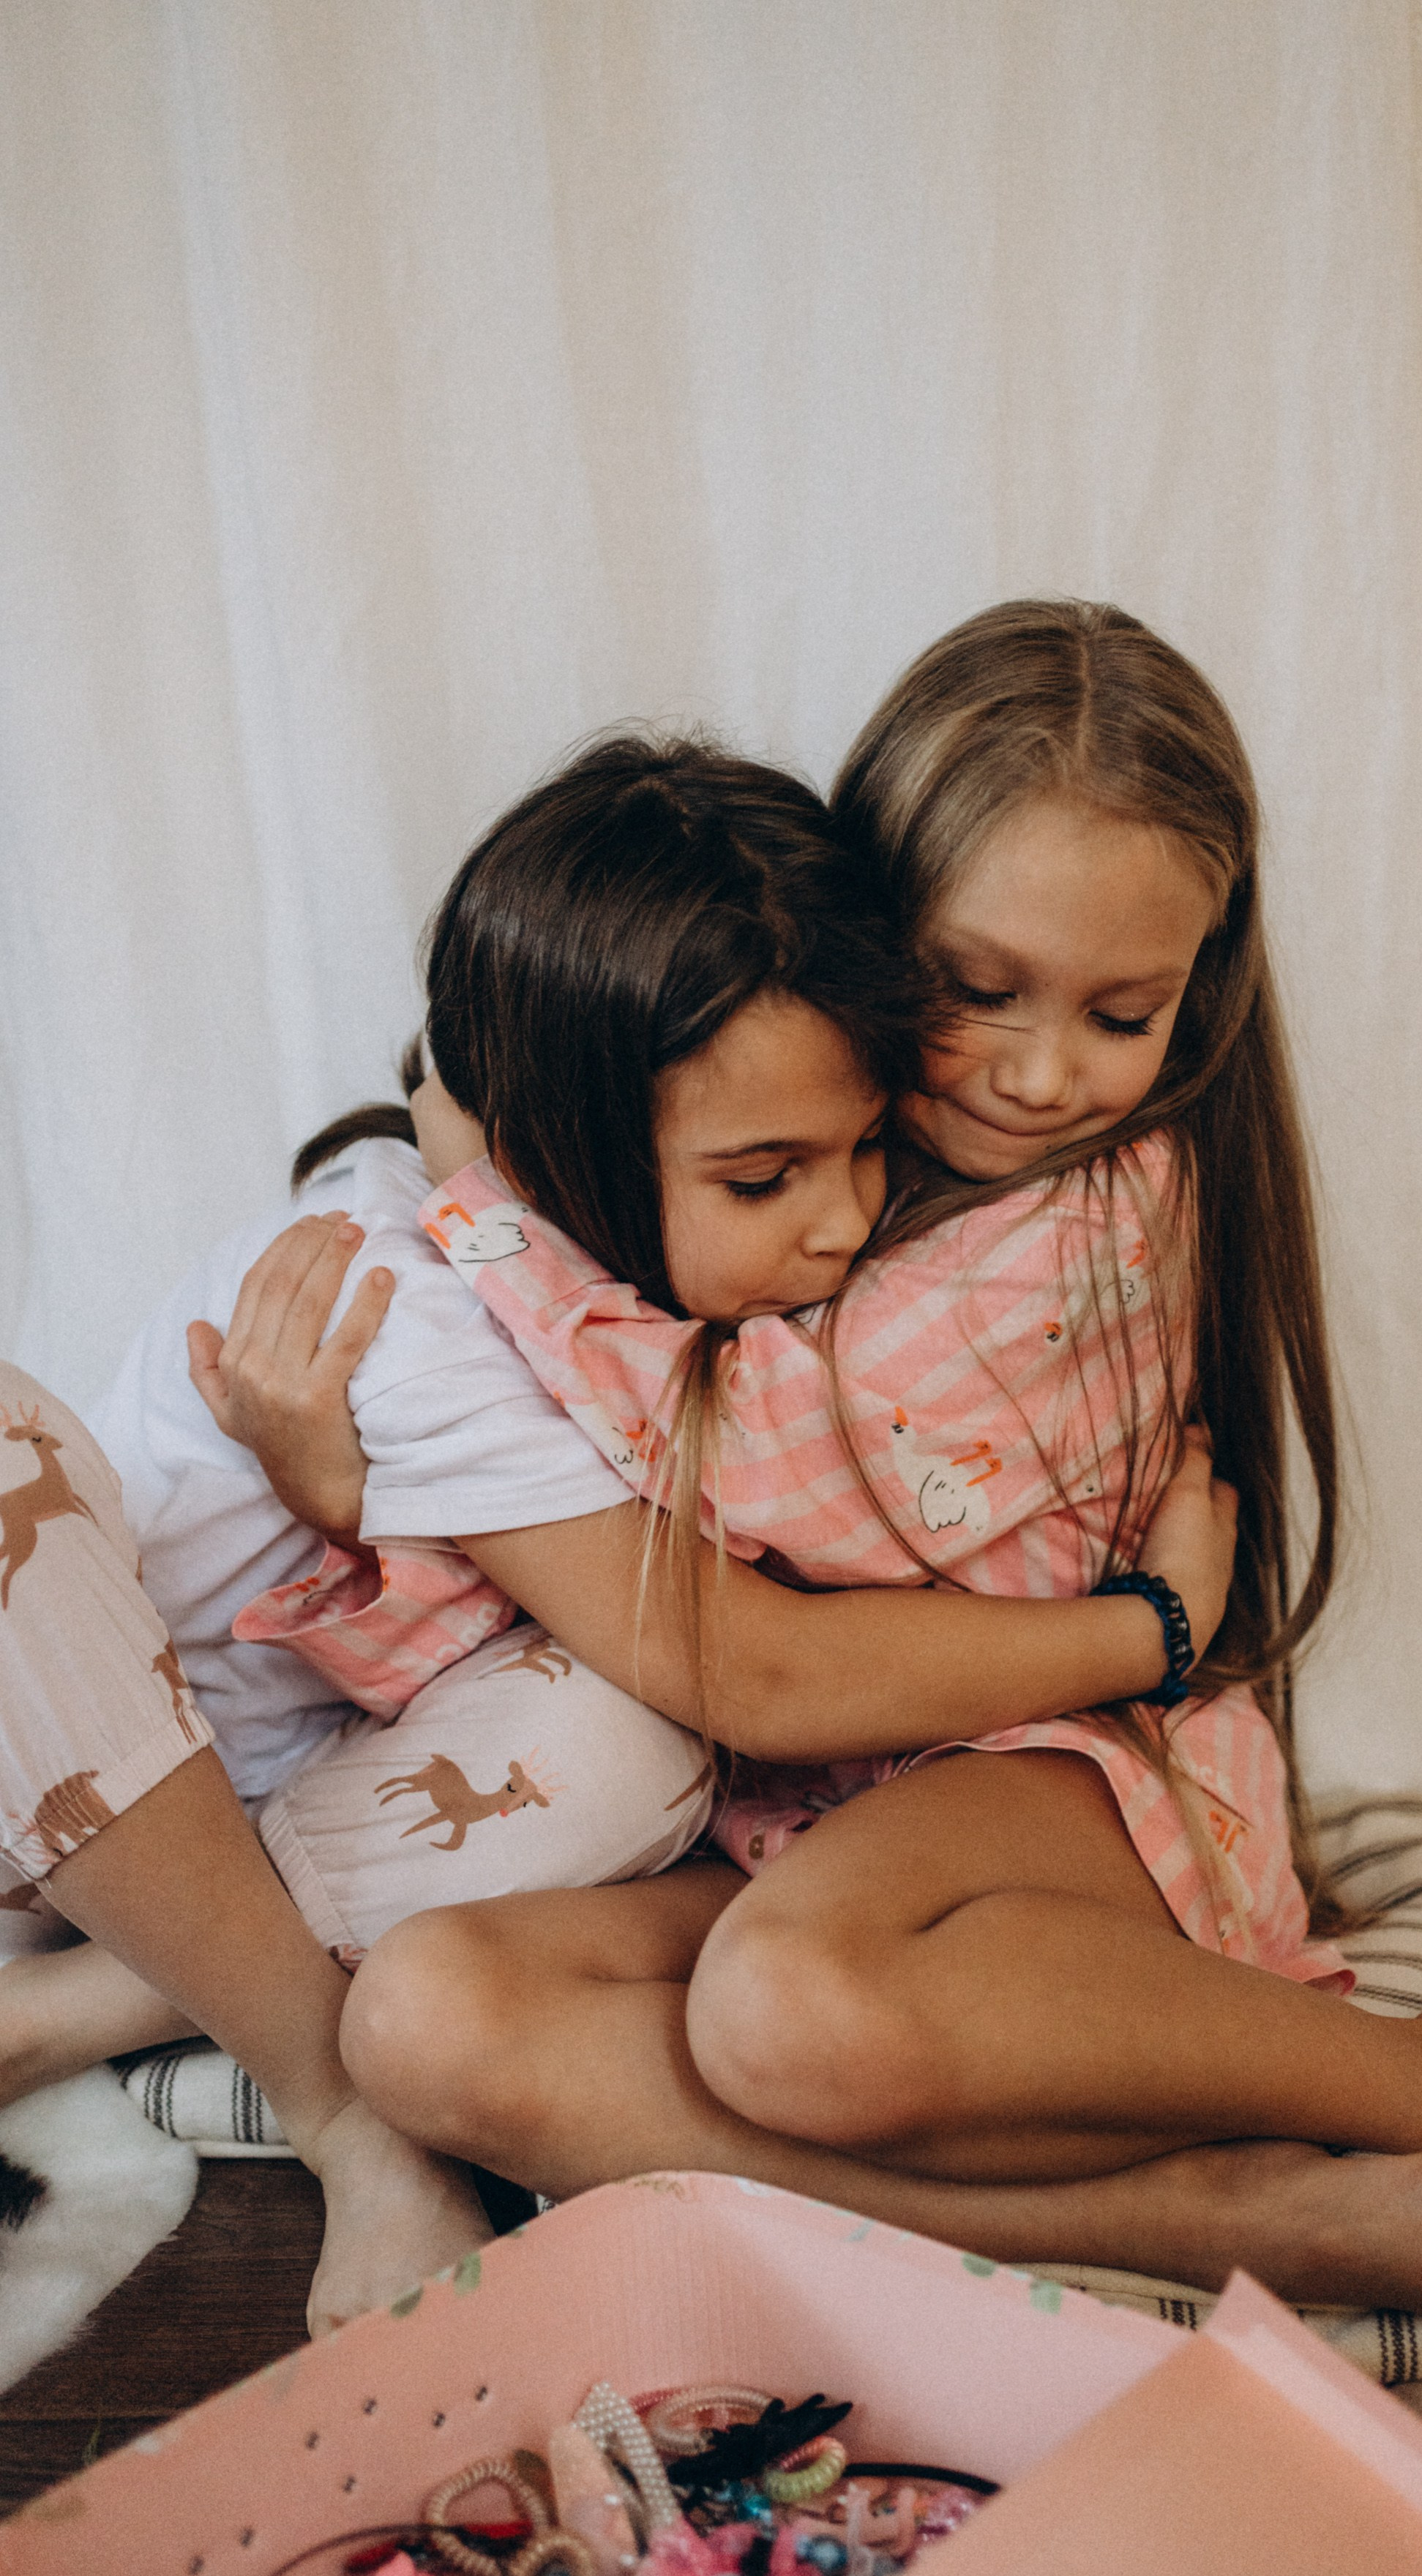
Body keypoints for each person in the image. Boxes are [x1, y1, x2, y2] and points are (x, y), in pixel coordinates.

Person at [311, 607, 1422, 2313]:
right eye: (974, 988)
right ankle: (1215, 2214)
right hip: (811, 1817)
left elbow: (755, 1456)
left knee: (785, 2009)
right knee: (423, 2012)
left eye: (1122, 1010)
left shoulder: (1096, 1214)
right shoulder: (787, 1146)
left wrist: (473, 1191)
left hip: (1055, 1769)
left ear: (1196, 987)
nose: (1041, 1068)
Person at [0, 734, 1220, 2335]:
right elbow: (756, 1673)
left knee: (627, 1740)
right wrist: (1155, 1630)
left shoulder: (635, 1313)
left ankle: (93, 2008)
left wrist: (355, 1511)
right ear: (555, 1146)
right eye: (766, 1174)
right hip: (65, 1812)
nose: (846, 1222)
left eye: (867, 1150)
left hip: (330, 1815)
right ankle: (265, 2065)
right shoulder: (417, 1309)